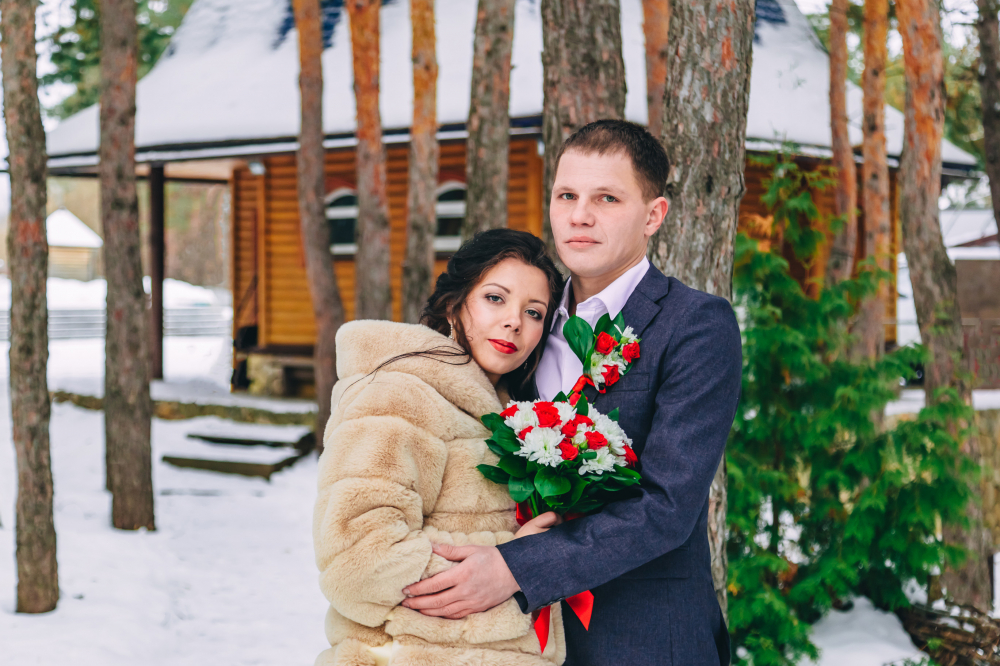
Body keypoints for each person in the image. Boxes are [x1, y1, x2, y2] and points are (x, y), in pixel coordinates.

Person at [400, 120, 743, 666]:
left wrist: (517, 567)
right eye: (566, 196)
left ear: (653, 215)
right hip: (516, 642)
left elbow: (667, 507)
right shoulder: (526, 321)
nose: (579, 215)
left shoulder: (695, 324)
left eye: (606, 198)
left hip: (643, 638)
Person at [312, 229, 568, 666]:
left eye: (534, 312)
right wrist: (512, 569)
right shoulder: (400, 395)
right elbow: (357, 560)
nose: (514, 322)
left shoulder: (514, 418)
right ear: (453, 304)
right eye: (495, 298)